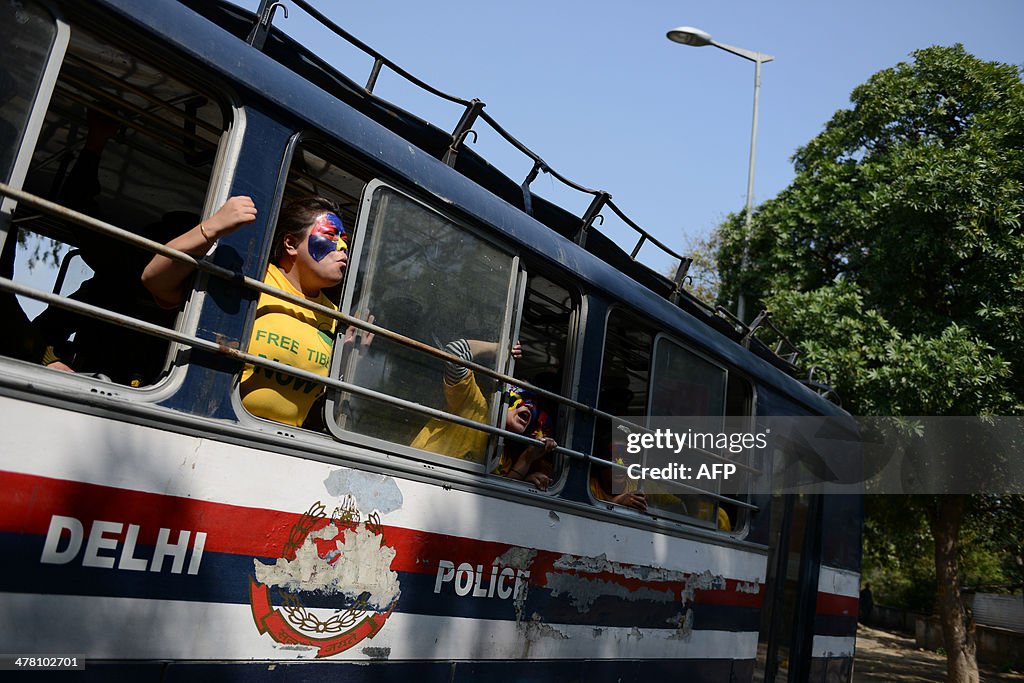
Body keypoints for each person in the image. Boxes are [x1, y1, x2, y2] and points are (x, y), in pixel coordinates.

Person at [143, 195, 365, 427]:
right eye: (330, 235)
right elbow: (155, 282)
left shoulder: (335, 316)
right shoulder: (253, 279)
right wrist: (211, 228)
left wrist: (348, 362)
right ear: (290, 244)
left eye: (344, 240)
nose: (342, 246)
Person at [411, 338, 557, 489]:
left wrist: (527, 459)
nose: (530, 405)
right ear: (502, 396)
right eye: (524, 395)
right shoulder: (473, 406)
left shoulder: (502, 456)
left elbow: (498, 492)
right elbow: (455, 352)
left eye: (535, 405)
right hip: (415, 479)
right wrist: (500, 349)